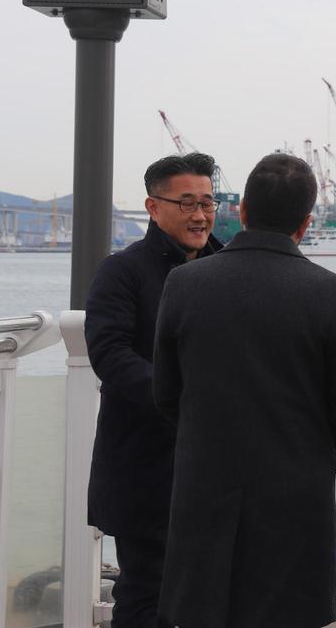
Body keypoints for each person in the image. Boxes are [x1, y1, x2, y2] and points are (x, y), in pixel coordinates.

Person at [152, 153, 336, 628]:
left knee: (202, 610)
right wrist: (308, 446)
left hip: (205, 482)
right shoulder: (330, 291)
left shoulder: (184, 283)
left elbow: (166, 392)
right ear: (306, 222)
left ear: (243, 210)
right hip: (297, 488)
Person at [84, 152, 223, 628]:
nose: (201, 215)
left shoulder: (230, 267)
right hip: (145, 465)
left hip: (219, 464)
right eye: (186, 203)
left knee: (217, 594)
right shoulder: (122, 271)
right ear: (152, 206)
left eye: (208, 202)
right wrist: (183, 399)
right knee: (146, 595)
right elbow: (110, 353)